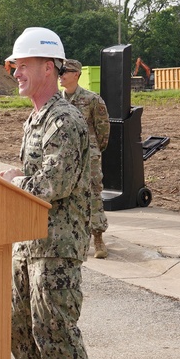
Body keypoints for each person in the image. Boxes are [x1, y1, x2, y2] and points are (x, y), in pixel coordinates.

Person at [0, 27, 101, 359]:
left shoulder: (66, 119)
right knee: (15, 325)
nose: (16, 72)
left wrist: (12, 180)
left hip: (58, 243)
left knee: (54, 327)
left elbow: (53, 182)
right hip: (28, 239)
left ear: (48, 66)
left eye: (22, 65)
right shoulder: (36, 117)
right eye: (14, 66)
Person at [60, 59, 111, 258]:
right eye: (61, 71)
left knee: (94, 195)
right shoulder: (56, 100)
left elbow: (103, 130)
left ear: (77, 75)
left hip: (88, 156)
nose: (62, 75)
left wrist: (95, 149)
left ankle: (97, 238)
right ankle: (75, 238)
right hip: (65, 156)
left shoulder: (92, 99)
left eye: (66, 71)